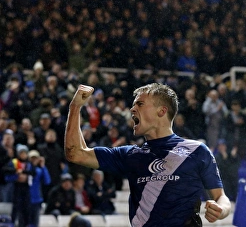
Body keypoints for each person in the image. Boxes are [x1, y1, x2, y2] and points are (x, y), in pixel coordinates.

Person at [65, 83, 231, 226]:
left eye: (140, 104)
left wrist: (221, 210)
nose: (132, 109)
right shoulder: (130, 155)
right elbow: (76, 153)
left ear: (161, 111)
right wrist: (75, 107)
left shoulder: (197, 150)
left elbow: (220, 197)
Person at [28, 150, 51, 227]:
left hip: (37, 199)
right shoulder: (26, 169)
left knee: (35, 223)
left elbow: (47, 181)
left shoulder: (39, 170)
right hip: (27, 199)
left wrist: (43, 166)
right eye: (32, 158)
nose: (34, 160)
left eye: (35, 158)